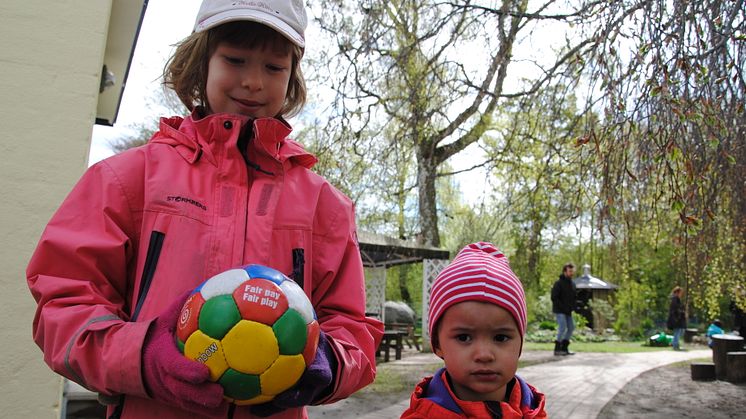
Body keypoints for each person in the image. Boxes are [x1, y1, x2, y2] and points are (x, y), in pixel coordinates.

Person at [25, 1, 383, 418]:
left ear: (293, 76)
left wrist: (327, 363)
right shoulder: (126, 180)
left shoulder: (326, 206)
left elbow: (353, 329)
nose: (253, 82)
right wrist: (142, 356)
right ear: (202, 60)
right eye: (235, 59)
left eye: (274, 67)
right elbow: (62, 309)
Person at [401, 242, 547, 419]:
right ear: (438, 344)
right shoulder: (423, 415)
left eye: (500, 337)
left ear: (520, 344)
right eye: (464, 337)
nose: (484, 355)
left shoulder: (533, 411)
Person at [551, 263, 577, 356]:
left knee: (571, 327)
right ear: (565, 271)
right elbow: (554, 297)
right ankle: (557, 348)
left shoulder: (572, 284)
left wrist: (573, 307)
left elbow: (574, 297)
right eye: (570, 271)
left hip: (568, 311)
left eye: (572, 271)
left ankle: (564, 348)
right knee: (562, 327)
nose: (571, 273)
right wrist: (562, 307)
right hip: (559, 310)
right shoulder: (558, 283)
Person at [667, 286, 687, 351]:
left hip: (678, 318)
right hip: (676, 318)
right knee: (678, 331)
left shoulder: (677, 299)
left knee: (680, 331)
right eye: (680, 292)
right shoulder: (675, 299)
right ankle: (675, 345)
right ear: (677, 292)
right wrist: (681, 312)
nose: (681, 294)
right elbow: (676, 309)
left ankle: (674, 343)